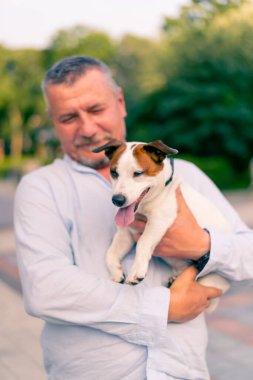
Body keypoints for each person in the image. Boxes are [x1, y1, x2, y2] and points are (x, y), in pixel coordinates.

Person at [14, 55, 253, 380]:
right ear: (52, 120)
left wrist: (201, 244)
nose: (87, 128)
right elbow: (46, 289)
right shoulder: (40, 189)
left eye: (96, 109)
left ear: (121, 101)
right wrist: (162, 308)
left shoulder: (187, 176)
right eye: (68, 117)